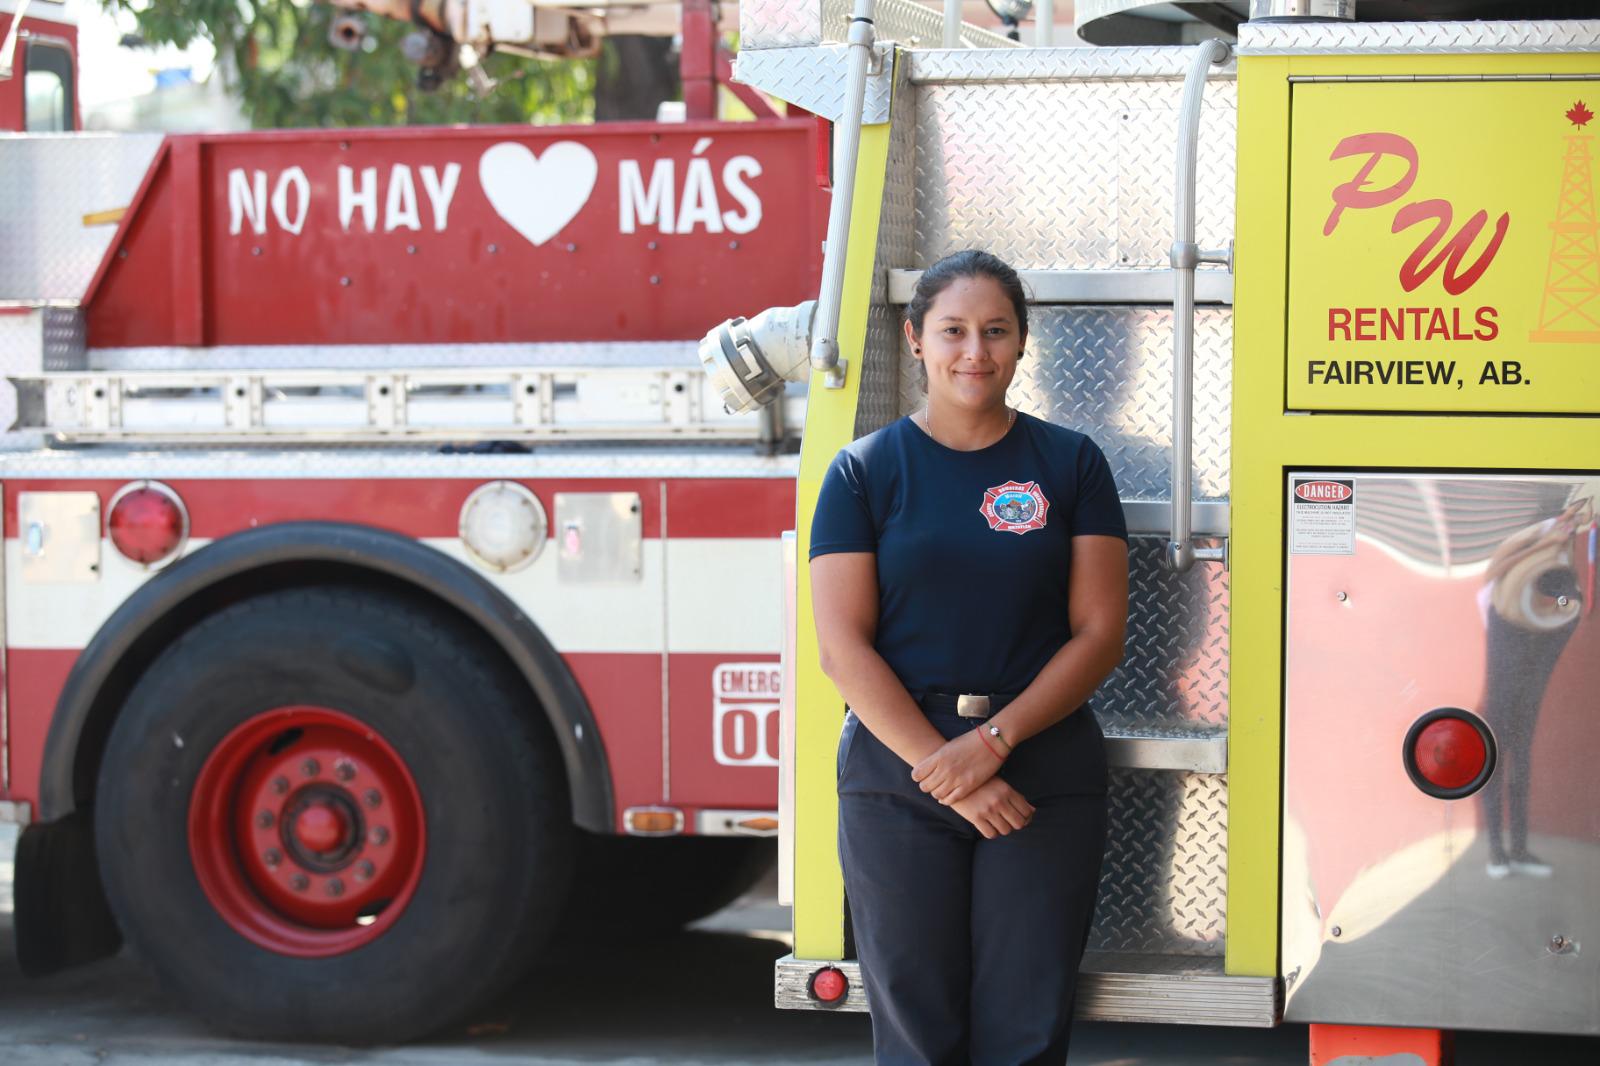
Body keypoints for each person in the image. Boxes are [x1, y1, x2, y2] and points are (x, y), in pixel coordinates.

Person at [809, 249, 1130, 1065]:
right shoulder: (863, 472)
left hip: (1040, 770)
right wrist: (941, 768)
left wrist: (991, 747)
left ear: (1023, 344)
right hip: (897, 777)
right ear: (916, 339)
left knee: (1026, 1029)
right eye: (953, 330)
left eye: (995, 331)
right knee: (919, 1032)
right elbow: (841, 646)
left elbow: (1099, 635)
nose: (974, 352)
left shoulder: (1072, 464)